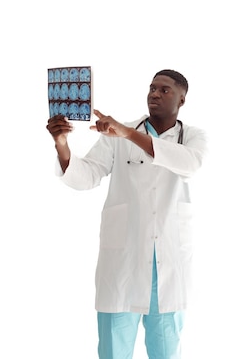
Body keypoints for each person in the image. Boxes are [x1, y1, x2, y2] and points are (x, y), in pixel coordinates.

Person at [46, 69, 207, 359]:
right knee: (113, 352)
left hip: (168, 268)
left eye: (164, 90)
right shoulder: (116, 135)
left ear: (182, 100)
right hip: (122, 264)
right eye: (151, 88)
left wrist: (128, 133)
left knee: (167, 352)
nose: (154, 94)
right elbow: (87, 175)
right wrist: (62, 144)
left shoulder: (192, 137)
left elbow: (190, 164)